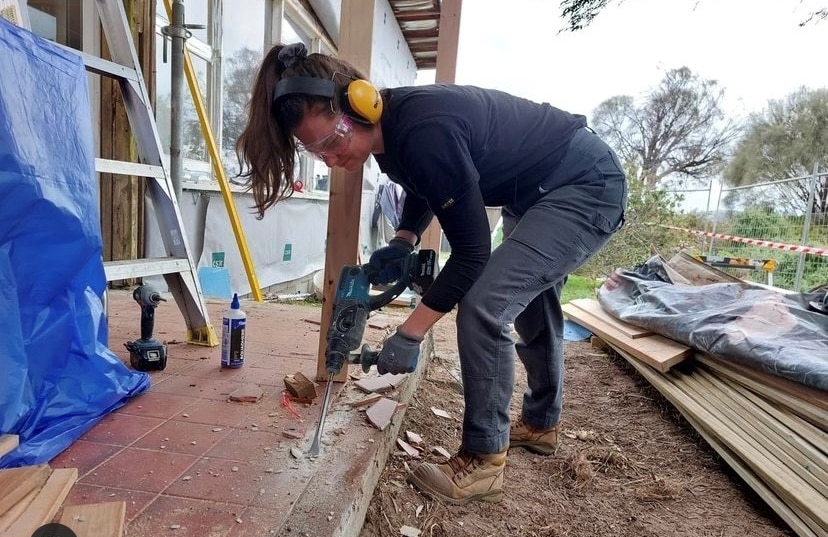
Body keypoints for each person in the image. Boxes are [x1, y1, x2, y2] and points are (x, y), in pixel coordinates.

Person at [236, 42, 627, 505]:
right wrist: (404, 239)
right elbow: (426, 184)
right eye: (315, 150)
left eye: (334, 141)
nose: (330, 158)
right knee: (530, 302)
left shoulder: (423, 128)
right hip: (539, 190)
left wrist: (410, 332)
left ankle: (483, 460)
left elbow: (472, 253)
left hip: (585, 184)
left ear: (360, 102)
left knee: (486, 303)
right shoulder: (391, 133)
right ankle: (542, 424)